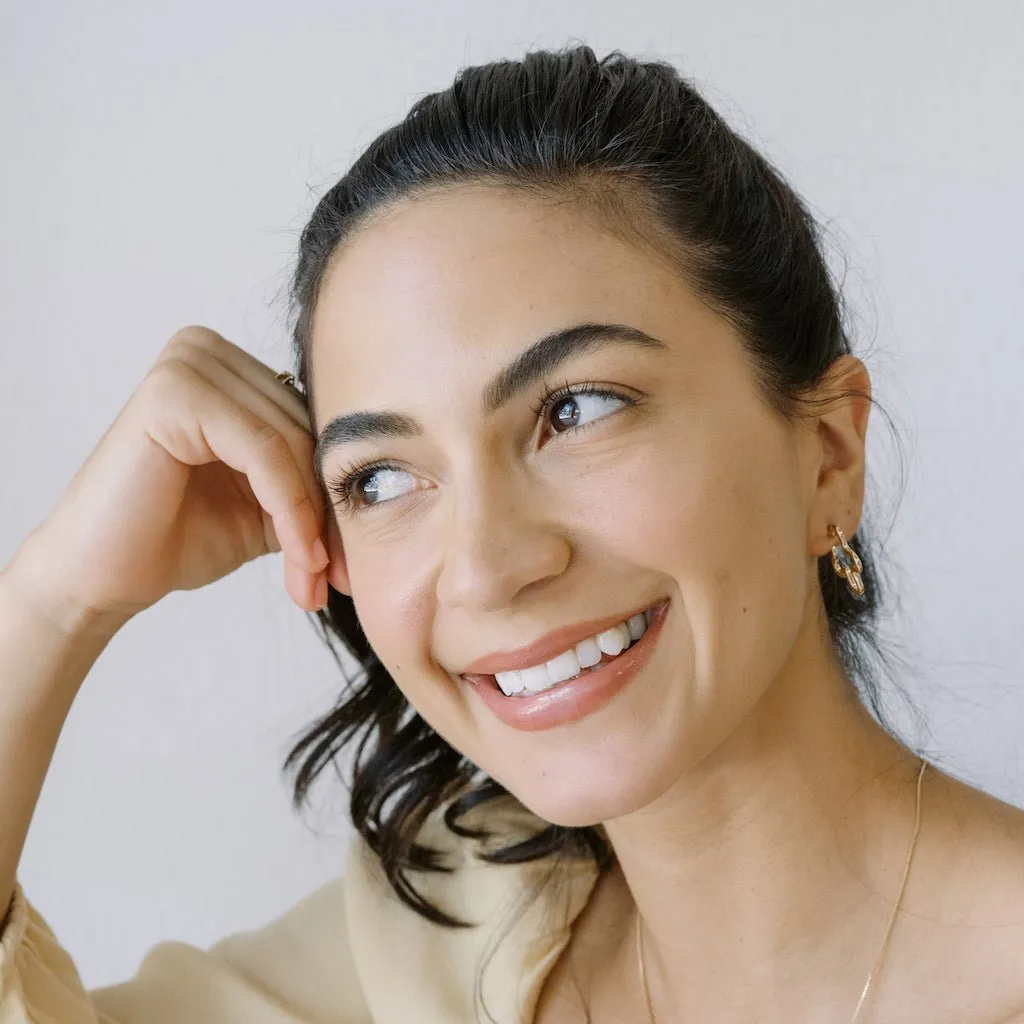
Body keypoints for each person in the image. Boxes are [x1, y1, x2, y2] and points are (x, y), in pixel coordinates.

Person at [2, 43, 1024, 1024]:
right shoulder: (447, 937)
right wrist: (49, 600)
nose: (487, 570)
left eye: (576, 408)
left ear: (829, 454)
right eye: (384, 475)